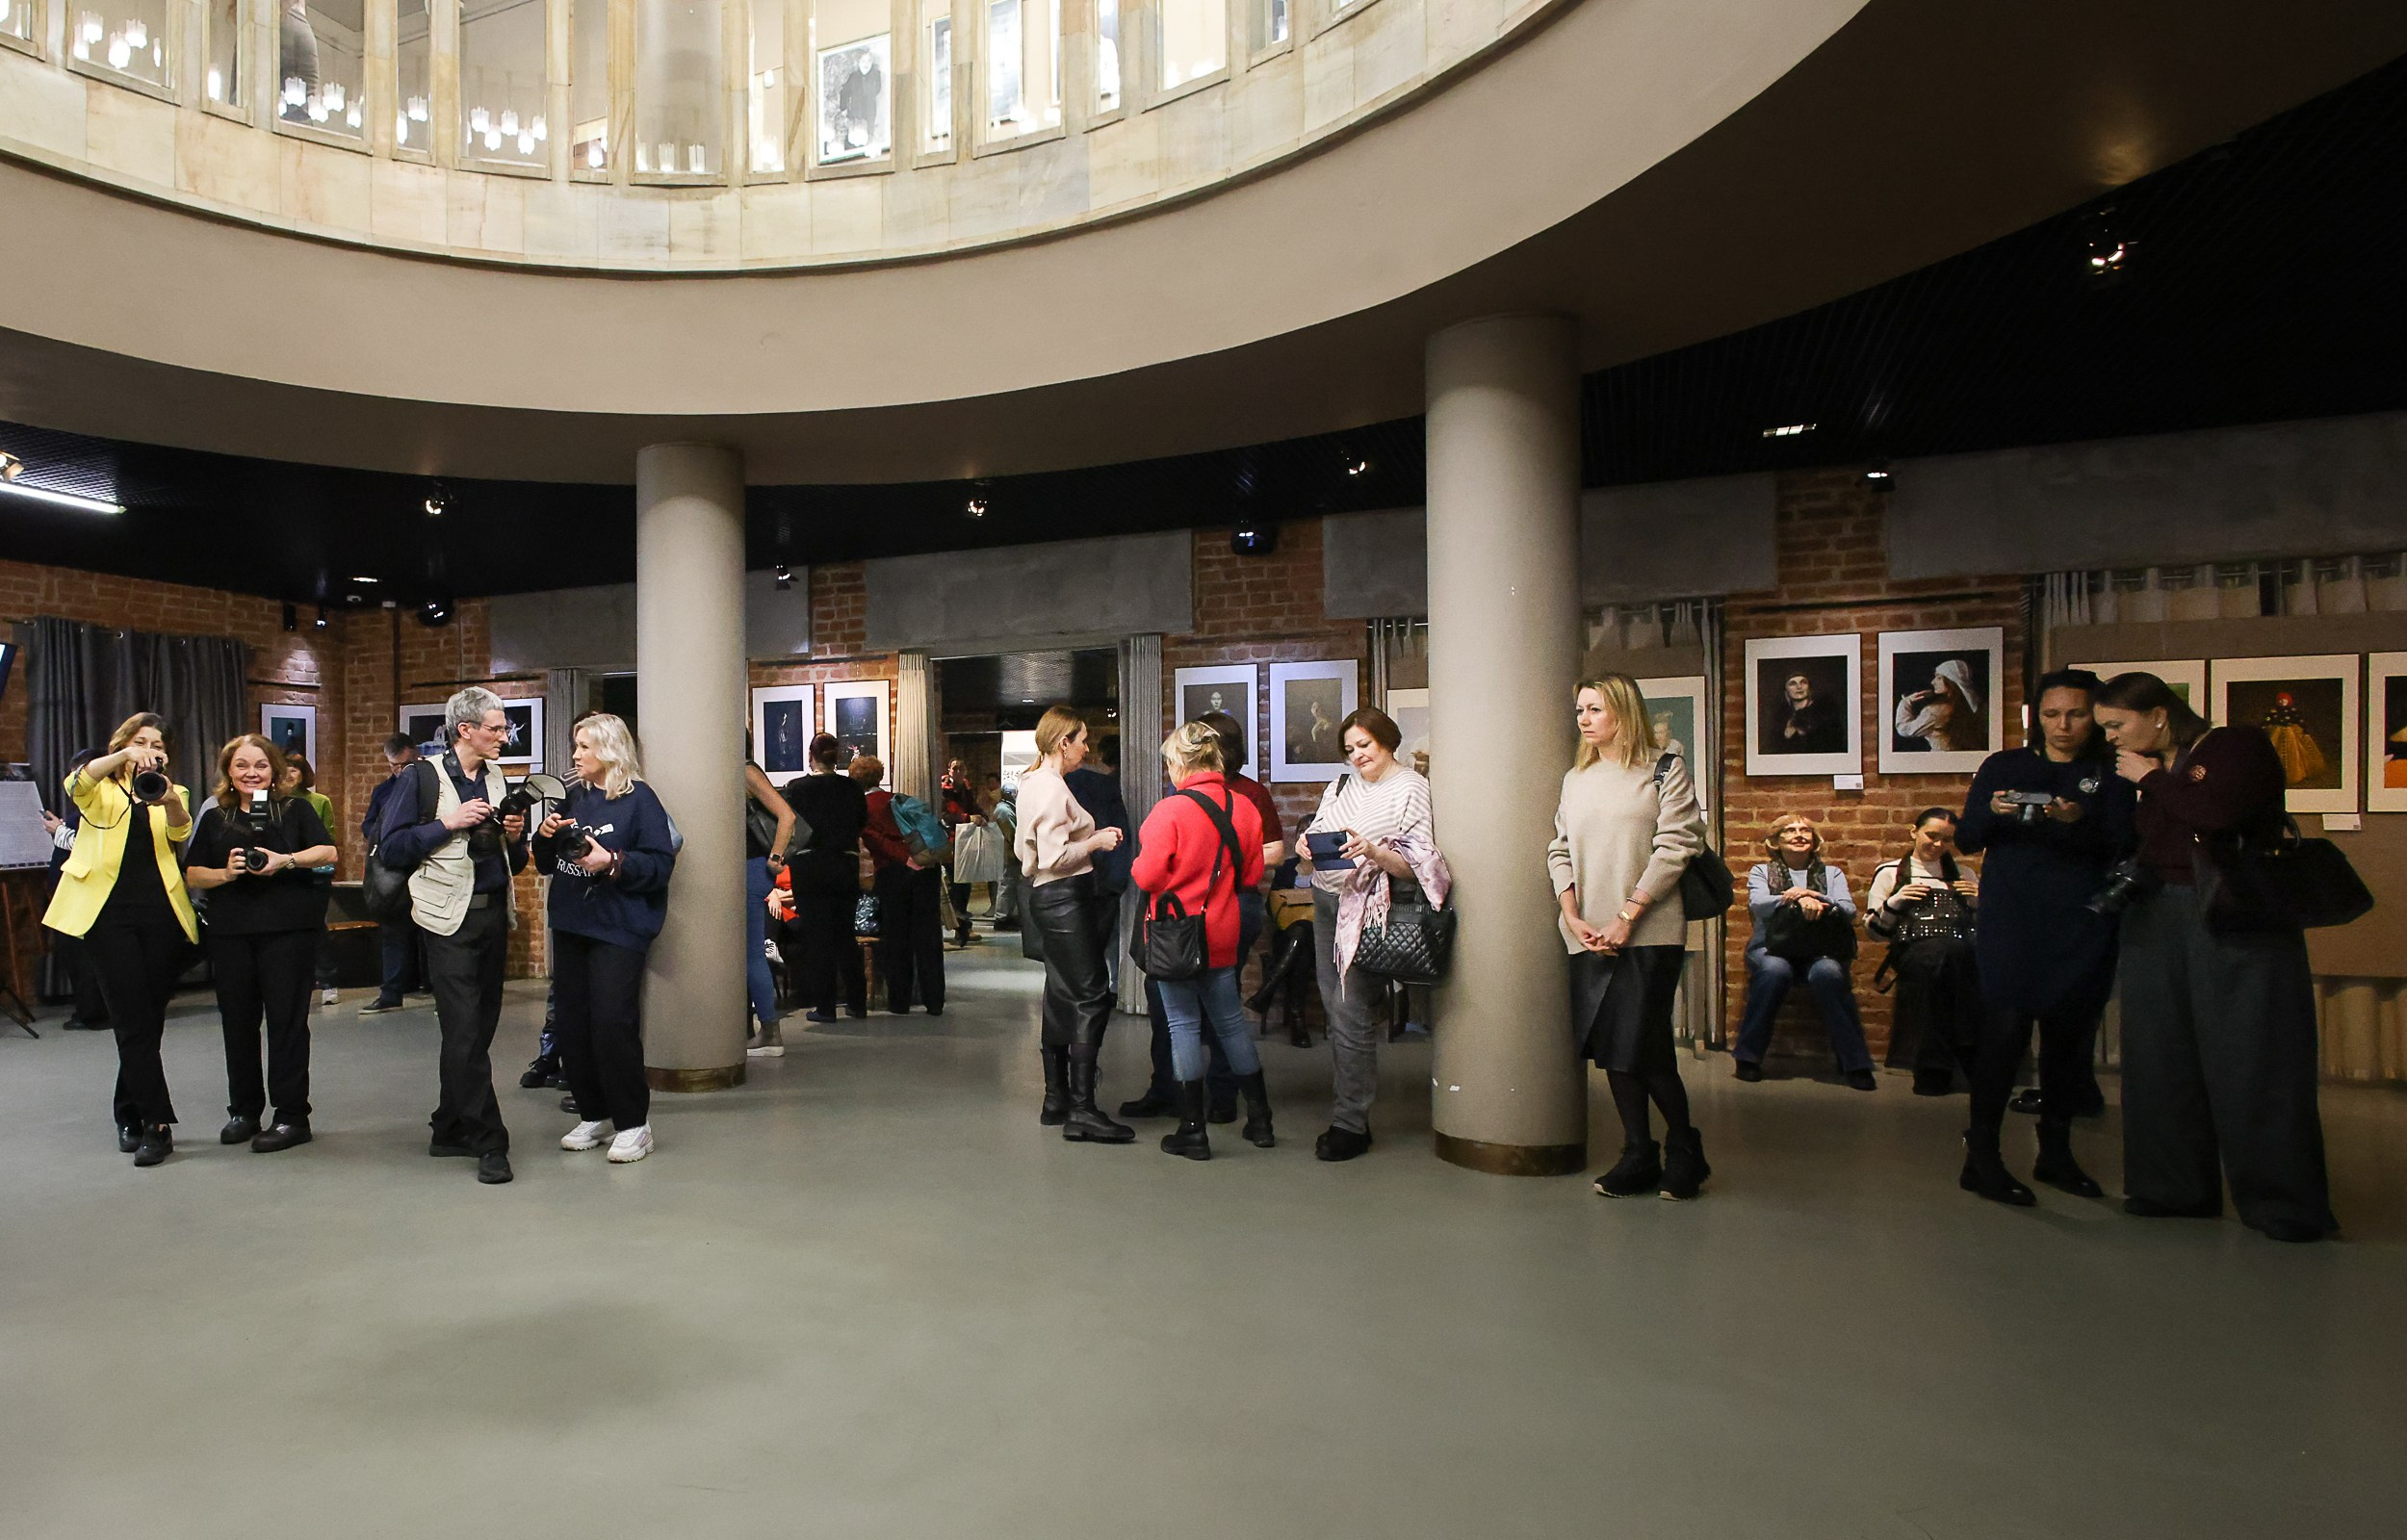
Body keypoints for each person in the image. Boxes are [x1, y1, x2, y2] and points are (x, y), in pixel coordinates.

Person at [2094, 671, 2335, 1243]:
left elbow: (2216, 813)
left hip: (2231, 914)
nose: (2111, 738)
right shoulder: (2153, 766)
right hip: (2158, 913)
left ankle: (2283, 1205)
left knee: (2255, 1055)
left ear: (2159, 714)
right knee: (2159, 1054)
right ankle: (2170, 1188)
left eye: (2116, 725)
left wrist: (2153, 779)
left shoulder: (2236, 746)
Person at [1954, 669, 2133, 1206]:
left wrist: (2077, 821)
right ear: (2036, 716)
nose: (2063, 725)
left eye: (2076, 714)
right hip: (2013, 918)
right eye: (2052, 714)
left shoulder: (2112, 771)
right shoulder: (2005, 765)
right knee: (2004, 1033)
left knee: (2068, 1042)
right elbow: (1967, 837)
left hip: (2081, 920)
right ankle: (1982, 1155)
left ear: (2094, 716)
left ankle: (2055, 1152)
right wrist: (1993, 811)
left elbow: (2125, 844)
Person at [1549, 676, 1709, 1199]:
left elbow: (1677, 844)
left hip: (1649, 932)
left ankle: (1684, 1147)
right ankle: (1638, 1152)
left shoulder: (1665, 769)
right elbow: (1559, 848)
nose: (1584, 718)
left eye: (1595, 708)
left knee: (1645, 1045)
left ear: (1624, 711)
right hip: (1589, 933)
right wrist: (1572, 914)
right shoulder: (1576, 778)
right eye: (1580, 710)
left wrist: (1628, 915)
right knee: (1614, 1050)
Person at [374, 687, 531, 1186]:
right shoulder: (421, 777)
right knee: (463, 1030)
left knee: (477, 1031)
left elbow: (515, 862)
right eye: (496, 729)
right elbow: (391, 847)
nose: (504, 737)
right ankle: (490, 1140)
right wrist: (449, 822)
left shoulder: (498, 778)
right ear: (466, 730)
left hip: (492, 916)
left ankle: (448, 1126)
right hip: (446, 920)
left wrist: (515, 835)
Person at [42, 713, 199, 1168]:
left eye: (157, 744)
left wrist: (169, 798)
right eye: (140, 741)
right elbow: (76, 783)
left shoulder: (171, 788)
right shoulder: (100, 789)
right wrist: (123, 757)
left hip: (161, 915)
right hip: (107, 917)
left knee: (148, 1023)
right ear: (123, 744)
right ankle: (157, 1124)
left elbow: (180, 831)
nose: (149, 750)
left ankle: (128, 1112)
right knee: (131, 1019)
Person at [1120, 708, 1284, 1121]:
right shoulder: (1244, 806)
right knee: (1230, 1023)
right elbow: (1251, 874)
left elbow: (1147, 876)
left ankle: (1192, 1128)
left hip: (1178, 932)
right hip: (1225, 927)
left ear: (1181, 763)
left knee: (1182, 1025)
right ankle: (1260, 1119)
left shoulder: (1169, 810)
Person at [1304, 706, 1445, 1161]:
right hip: (1326, 902)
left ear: (1387, 740)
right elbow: (1316, 836)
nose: (1357, 755)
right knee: (1338, 1009)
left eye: (1364, 744)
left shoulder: (1411, 788)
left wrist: (1371, 852)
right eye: (1349, 749)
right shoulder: (1340, 785)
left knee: (1350, 1010)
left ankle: (1350, 1122)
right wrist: (1306, 845)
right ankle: (1349, 1111)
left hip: (1369, 908)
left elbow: (1419, 864)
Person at [184, 734, 336, 1154]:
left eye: (260, 765)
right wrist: (226, 873)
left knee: (287, 1024)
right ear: (228, 772)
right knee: (237, 1023)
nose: (251, 773)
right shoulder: (215, 817)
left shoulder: (296, 810)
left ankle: (291, 1116)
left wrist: (284, 861)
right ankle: (244, 1111)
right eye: (241, 765)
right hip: (231, 934)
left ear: (274, 770)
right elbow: (192, 874)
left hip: (288, 932)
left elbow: (328, 853)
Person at [537, 714, 677, 1165]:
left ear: (609, 749)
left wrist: (612, 861)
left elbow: (660, 865)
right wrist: (543, 838)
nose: (575, 754)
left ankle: (634, 1124)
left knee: (613, 1024)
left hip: (619, 927)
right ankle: (594, 1113)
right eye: (575, 745)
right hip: (572, 923)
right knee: (573, 1025)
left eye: (584, 746)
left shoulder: (640, 800)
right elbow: (545, 862)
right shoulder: (574, 796)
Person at [1017, 706, 1132, 1142]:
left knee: (1061, 994)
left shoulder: (1033, 782)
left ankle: (1056, 1100)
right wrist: (1096, 841)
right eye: (1082, 740)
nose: (1087, 748)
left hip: (1051, 899)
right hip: (1065, 898)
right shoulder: (1049, 787)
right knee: (1091, 996)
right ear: (1063, 742)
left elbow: (1030, 854)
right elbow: (1053, 857)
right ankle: (1082, 1110)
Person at [1734, 814, 1875, 1090]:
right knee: (1774, 971)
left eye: (1805, 830)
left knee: (1829, 973)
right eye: (1789, 830)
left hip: (1821, 948)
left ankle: (1855, 1062)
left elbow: (1848, 911)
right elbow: (1759, 905)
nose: (1798, 835)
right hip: (1771, 947)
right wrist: (1795, 897)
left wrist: (1815, 896)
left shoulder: (1832, 873)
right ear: (1776, 841)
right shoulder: (1761, 871)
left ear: (1814, 840)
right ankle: (1748, 1057)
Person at [1864, 809, 1981, 1097]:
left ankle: (1933, 1069)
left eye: (1947, 840)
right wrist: (1895, 902)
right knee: (1942, 960)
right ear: (1913, 831)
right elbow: (1874, 933)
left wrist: (1979, 904)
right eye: (1932, 835)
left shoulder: (1964, 874)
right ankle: (1967, 1048)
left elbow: (1982, 929)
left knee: (1945, 967)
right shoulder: (1891, 872)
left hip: (1958, 955)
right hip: (1914, 952)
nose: (1939, 845)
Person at [783, 733, 870, 1023]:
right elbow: (861, 822)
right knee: (845, 934)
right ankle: (857, 1003)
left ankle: (825, 1007)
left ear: (811, 755)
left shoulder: (796, 789)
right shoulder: (852, 788)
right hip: (844, 863)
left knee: (818, 938)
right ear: (837, 757)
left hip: (809, 867)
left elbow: (788, 827)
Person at [859, 755, 946, 1015]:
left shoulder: (864, 808)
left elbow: (875, 841)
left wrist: (905, 860)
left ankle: (899, 1001)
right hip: (927, 870)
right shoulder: (897, 799)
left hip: (893, 873)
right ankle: (934, 1000)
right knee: (929, 937)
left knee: (898, 938)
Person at [39, 749, 111, 1033]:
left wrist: (58, 831)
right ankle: (88, 1009)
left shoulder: (103, 811)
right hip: (71, 896)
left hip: (86, 896)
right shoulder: (79, 812)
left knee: (85, 959)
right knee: (75, 957)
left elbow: (89, 846)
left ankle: (92, 1013)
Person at [360, 733, 427, 1015]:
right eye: (393, 765)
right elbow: (368, 825)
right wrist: (383, 835)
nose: (399, 771)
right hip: (395, 870)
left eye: (404, 764)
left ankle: (437, 989)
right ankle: (391, 992)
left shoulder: (430, 784)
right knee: (392, 931)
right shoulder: (383, 791)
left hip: (426, 866)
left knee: (432, 933)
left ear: (416, 755)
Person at [742, 754, 796, 1057]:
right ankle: (759, 1029)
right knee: (748, 954)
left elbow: (787, 815)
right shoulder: (738, 771)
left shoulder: (745, 771)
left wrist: (776, 858)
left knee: (751, 954)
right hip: (748, 868)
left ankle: (770, 1031)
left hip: (752, 867)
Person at [279, 753, 342, 1006]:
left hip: (315, 874)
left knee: (315, 926)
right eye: (285, 769)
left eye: (295, 769)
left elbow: (328, 838)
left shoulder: (318, 801)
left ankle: (327, 980)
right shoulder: (269, 802)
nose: (289, 774)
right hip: (282, 875)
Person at [1894, 660, 1985, 753]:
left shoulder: (1937, 711)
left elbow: (1905, 729)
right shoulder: (1963, 705)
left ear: (1951, 680)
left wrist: (1905, 702)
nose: (1933, 682)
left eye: (1939, 678)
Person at [940, 759, 984, 946]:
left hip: (964, 841)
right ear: (949, 770)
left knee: (964, 884)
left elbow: (973, 806)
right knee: (955, 885)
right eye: (954, 768)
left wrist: (983, 817)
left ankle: (963, 924)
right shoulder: (944, 790)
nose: (957, 772)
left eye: (961, 768)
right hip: (950, 842)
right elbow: (945, 816)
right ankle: (961, 926)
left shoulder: (966, 789)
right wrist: (967, 818)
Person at [1775, 672, 1844, 755]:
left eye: (1803, 682)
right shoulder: (1782, 716)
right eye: (1793, 684)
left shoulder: (1823, 711)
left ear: (1809, 688)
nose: (1799, 687)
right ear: (1786, 692)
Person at [987, 781, 1022, 931]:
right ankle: (1002, 918)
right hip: (1007, 854)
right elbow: (1011, 834)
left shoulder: (1004, 809)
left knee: (1008, 885)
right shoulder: (1005, 811)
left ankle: (1006, 916)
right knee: (1006, 885)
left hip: (1006, 853)